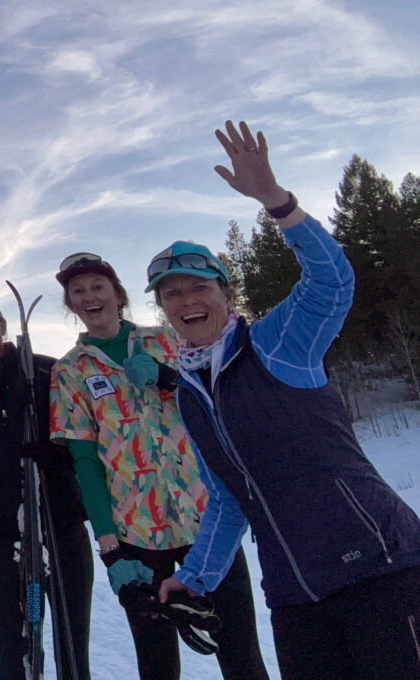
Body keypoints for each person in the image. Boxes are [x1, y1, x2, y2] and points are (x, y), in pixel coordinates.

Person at [156, 120, 420, 679]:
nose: (187, 300)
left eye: (200, 286)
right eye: (172, 293)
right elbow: (230, 498)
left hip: (381, 571)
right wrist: (195, 577)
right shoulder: (188, 392)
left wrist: (276, 203)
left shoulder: (276, 344)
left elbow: (332, 282)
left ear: (227, 293)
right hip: (294, 595)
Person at [48, 252, 269, 679]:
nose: (89, 296)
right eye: (78, 291)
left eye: (98, 286)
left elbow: (219, 401)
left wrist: (169, 377)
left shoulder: (168, 340)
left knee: (241, 655)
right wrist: (111, 550)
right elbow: (85, 462)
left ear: (118, 293)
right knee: (157, 665)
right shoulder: (70, 371)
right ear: (71, 304)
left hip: (207, 524)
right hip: (137, 538)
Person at [0, 294, 93, 680]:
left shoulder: (48, 372)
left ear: (1, 323)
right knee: (14, 652)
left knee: (71, 647)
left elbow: (86, 441)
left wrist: (57, 459)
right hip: (3, 539)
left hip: (61, 530)